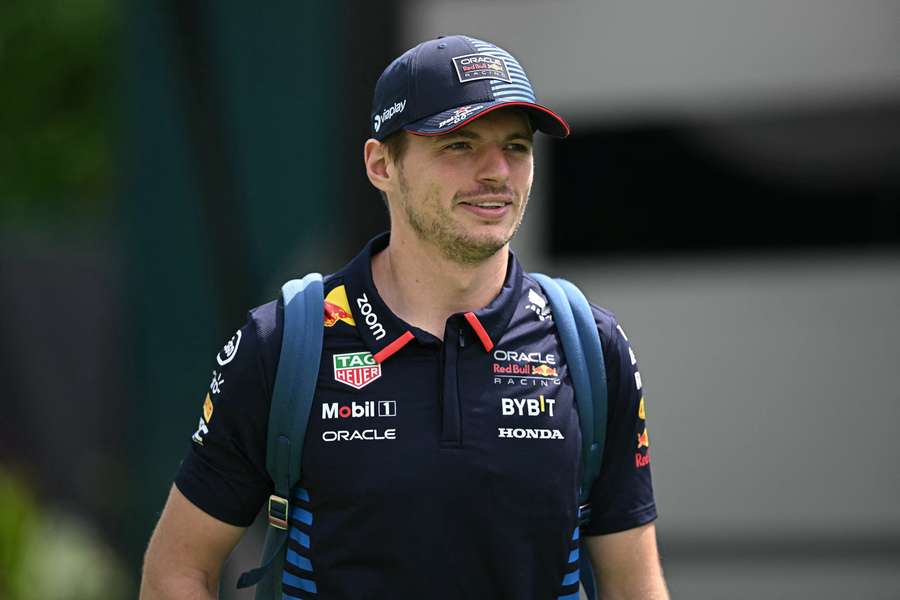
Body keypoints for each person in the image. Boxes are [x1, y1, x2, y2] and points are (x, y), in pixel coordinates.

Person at [140, 34, 669, 600]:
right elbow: (178, 570)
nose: (496, 171)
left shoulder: (588, 344)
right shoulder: (284, 343)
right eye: (460, 145)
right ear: (380, 164)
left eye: (515, 146)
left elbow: (634, 586)